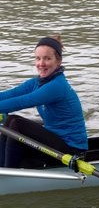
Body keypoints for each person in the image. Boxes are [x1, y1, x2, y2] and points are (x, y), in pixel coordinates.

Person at [0, 35, 88, 168]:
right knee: (10, 121)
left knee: (16, 123)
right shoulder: (36, 83)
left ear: (58, 61)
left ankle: (7, 172)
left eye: (47, 58)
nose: (41, 63)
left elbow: (21, 102)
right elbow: (9, 95)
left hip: (71, 152)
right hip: (53, 142)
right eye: (38, 58)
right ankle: (3, 166)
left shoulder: (57, 86)